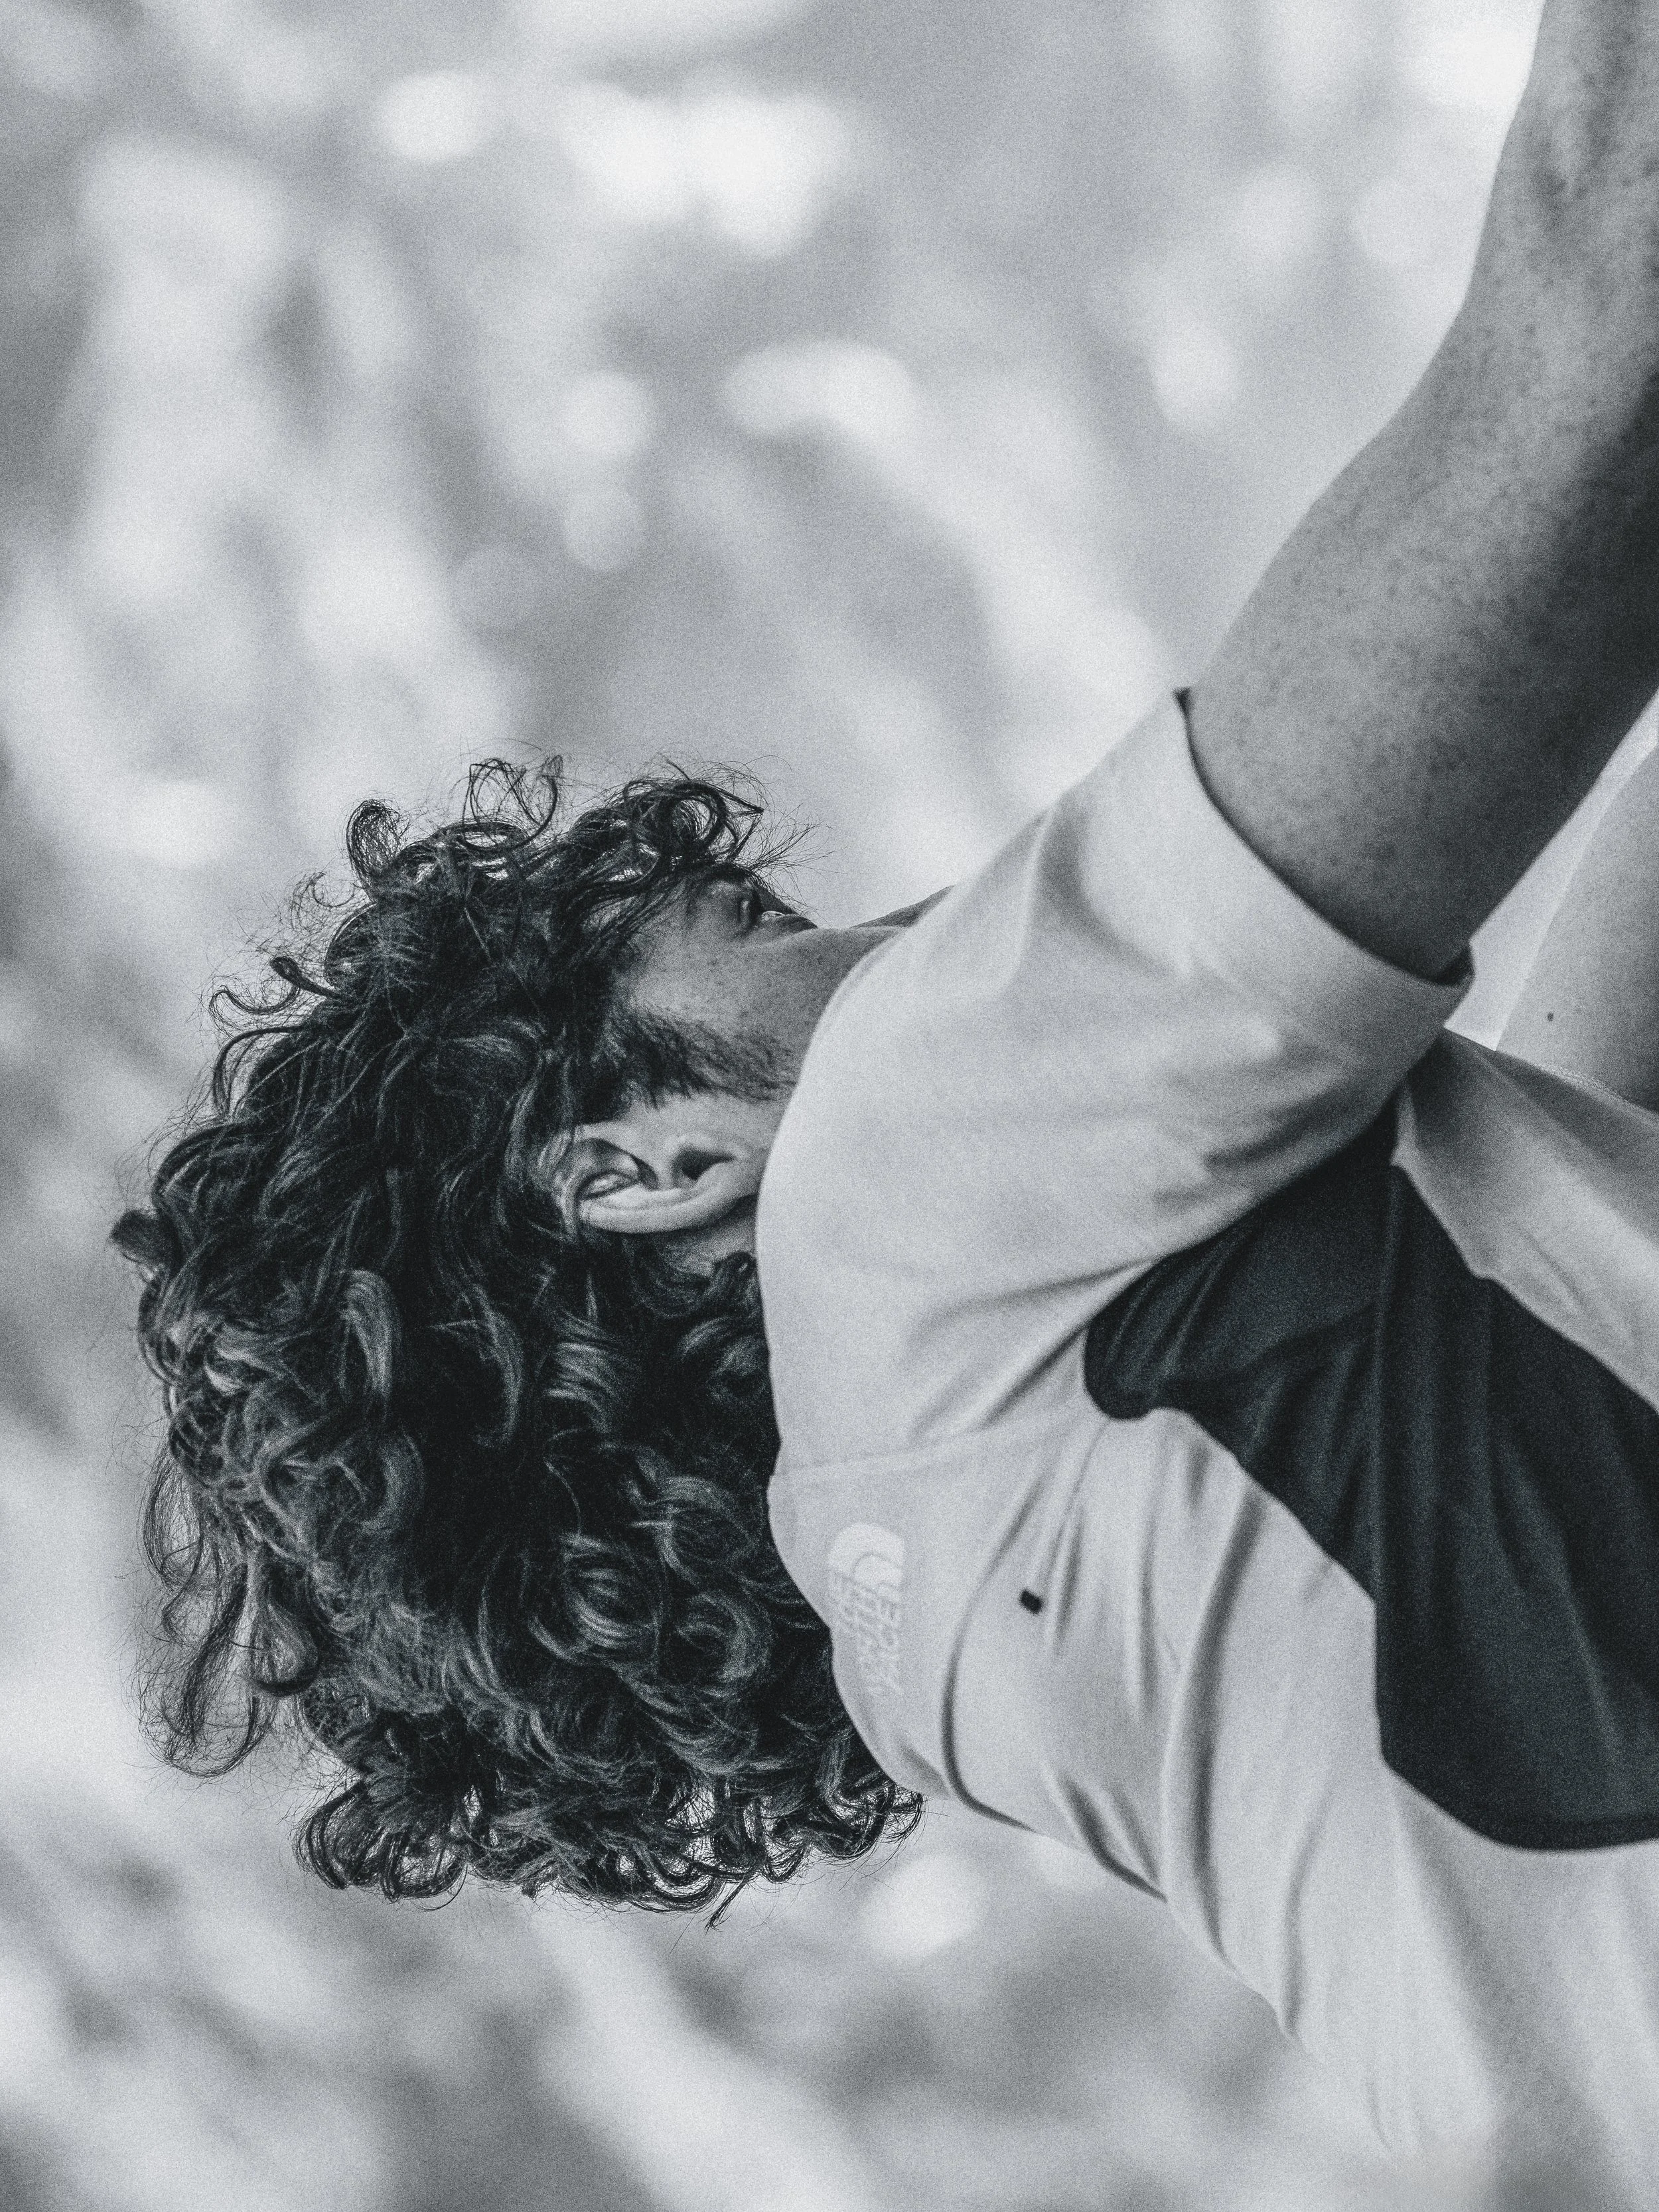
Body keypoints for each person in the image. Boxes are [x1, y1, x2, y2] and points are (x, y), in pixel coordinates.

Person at [117, 0, 1659, 2193]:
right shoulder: (913, 1174)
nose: (930, 913)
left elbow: (1589, 1209)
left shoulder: (1011, 1625)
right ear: (637, 1164)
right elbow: (1599, 329)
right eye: (759, 918)